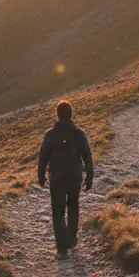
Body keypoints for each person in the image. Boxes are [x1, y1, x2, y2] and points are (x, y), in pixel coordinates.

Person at [37, 100, 94, 255]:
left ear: (58, 115)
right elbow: (87, 156)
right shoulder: (79, 133)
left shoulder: (50, 134)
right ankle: (72, 237)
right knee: (73, 205)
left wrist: (41, 175)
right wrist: (89, 176)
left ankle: (62, 245)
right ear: (71, 114)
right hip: (75, 176)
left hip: (57, 177)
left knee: (58, 209)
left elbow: (43, 156)